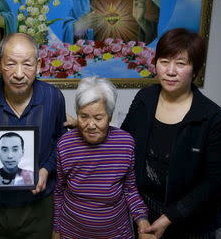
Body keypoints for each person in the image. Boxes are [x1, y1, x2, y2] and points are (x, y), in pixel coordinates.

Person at [121, 28, 221, 238]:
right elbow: (124, 141)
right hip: (144, 211)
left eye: (180, 64)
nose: (170, 71)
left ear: (195, 69)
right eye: (164, 61)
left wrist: (168, 217)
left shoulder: (215, 119)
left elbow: (215, 181)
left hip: (190, 218)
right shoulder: (145, 98)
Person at [0, 32, 67, 239]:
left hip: (37, 206)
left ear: (39, 65)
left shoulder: (53, 97)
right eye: (10, 64)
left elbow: (61, 141)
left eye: (27, 64)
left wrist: (45, 170)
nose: (19, 74)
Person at [53, 77, 153, 239]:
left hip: (117, 234)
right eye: (83, 117)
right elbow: (59, 192)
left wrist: (143, 223)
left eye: (98, 118)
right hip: (71, 232)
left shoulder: (125, 143)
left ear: (110, 115)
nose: (90, 125)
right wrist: (56, 230)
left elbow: (130, 190)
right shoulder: (65, 144)